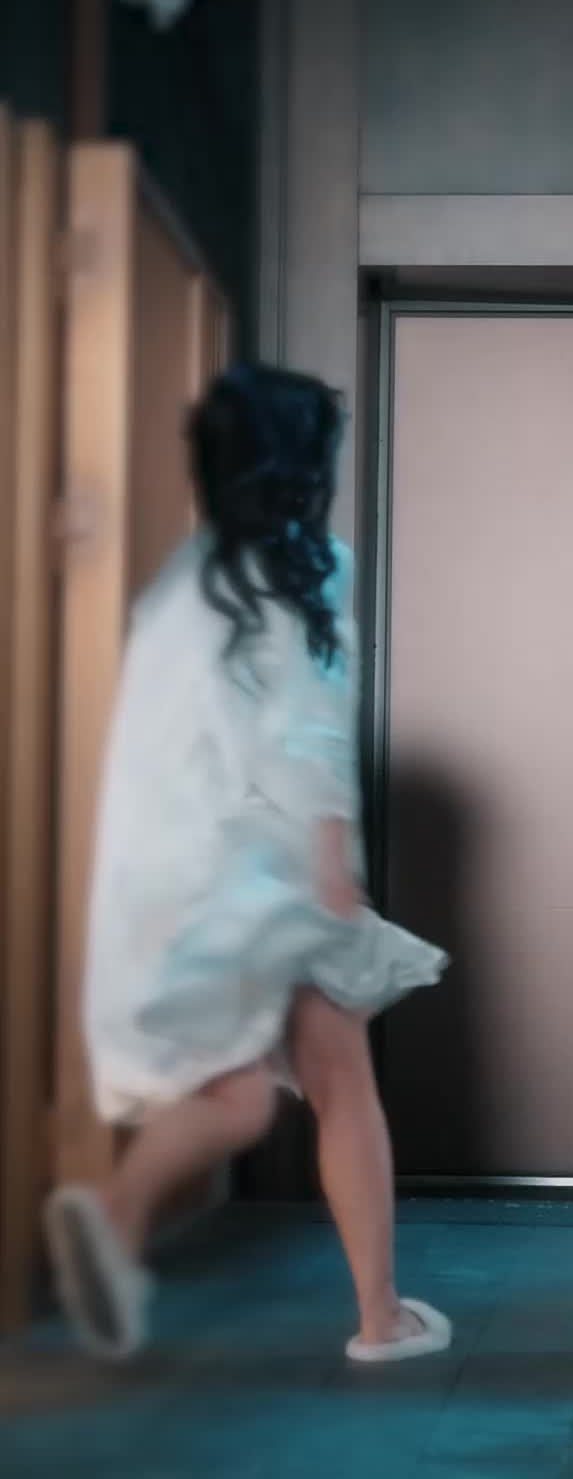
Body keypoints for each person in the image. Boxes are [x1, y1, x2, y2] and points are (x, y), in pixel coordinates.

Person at [45, 362, 451, 1368]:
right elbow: (307, 732)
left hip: (172, 878)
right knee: (340, 1080)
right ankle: (380, 1319)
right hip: (268, 868)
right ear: (305, 465)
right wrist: (333, 867)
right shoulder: (308, 568)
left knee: (237, 1096)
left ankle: (116, 1208)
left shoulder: (183, 582)